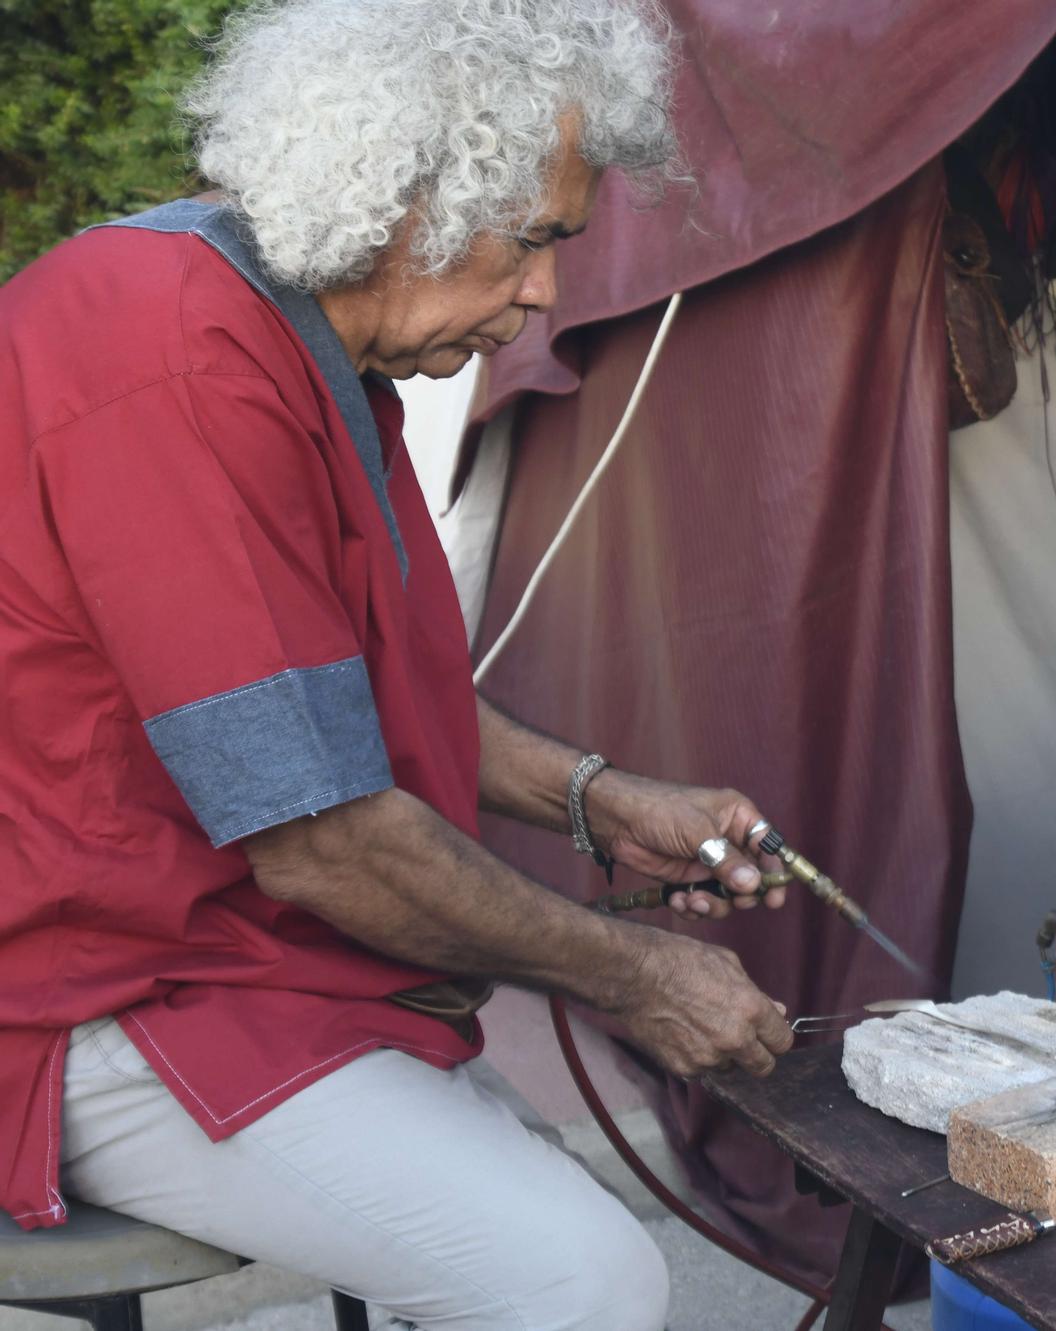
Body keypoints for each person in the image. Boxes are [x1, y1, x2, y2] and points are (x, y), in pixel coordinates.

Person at [0, 3, 789, 1326]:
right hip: (97, 989)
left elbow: (324, 713)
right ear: (404, 198)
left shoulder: (291, 344)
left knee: (552, 1239)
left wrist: (600, 799)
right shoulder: (169, 347)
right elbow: (321, 836)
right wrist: (633, 971)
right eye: (535, 236)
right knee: (579, 1280)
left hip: (219, 960)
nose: (544, 291)